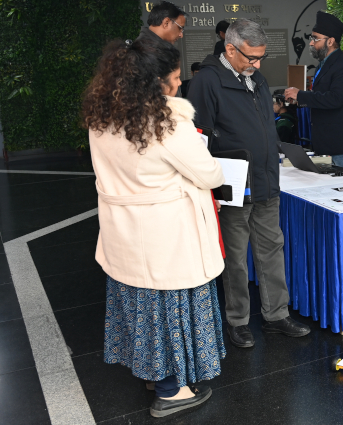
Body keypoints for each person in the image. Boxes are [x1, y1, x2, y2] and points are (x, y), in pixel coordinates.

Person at [83, 37, 226, 418]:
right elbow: (210, 174)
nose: (179, 85)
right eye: (174, 79)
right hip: (167, 237)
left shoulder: (102, 116)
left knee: (140, 306)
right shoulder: (167, 125)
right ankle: (170, 390)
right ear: (152, 83)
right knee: (169, 309)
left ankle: (153, 373)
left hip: (123, 232)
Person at [187, 19, 310, 348]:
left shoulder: (257, 78)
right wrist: (210, 187)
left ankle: (276, 314)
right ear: (230, 49)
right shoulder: (207, 82)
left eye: (261, 58)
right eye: (251, 58)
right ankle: (238, 320)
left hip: (267, 182)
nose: (257, 65)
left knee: (272, 250)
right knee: (236, 258)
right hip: (233, 187)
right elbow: (197, 141)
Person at [283, 11, 343, 169]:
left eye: (315, 38)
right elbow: (321, 96)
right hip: (323, 143)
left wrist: (301, 95)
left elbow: (335, 98)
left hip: (338, 147)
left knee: (341, 190)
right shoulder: (324, 64)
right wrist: (298, 100)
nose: (311, 43)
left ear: (330, 41)